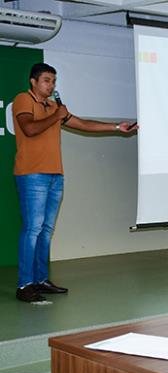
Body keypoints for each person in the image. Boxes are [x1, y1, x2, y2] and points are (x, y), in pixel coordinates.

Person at [13, 63, 137, 303]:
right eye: (47, 80)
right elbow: (29, 128)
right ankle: (24, 284)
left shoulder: (53, 107)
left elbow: (82, 124)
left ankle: (40, 280)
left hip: (55, 175)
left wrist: (116, 127)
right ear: (33, 82)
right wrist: (56, 115)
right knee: (32, 230)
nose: (51, 86)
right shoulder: (23, 100)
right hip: (31, 174)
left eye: (53, 81)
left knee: (46, 231)